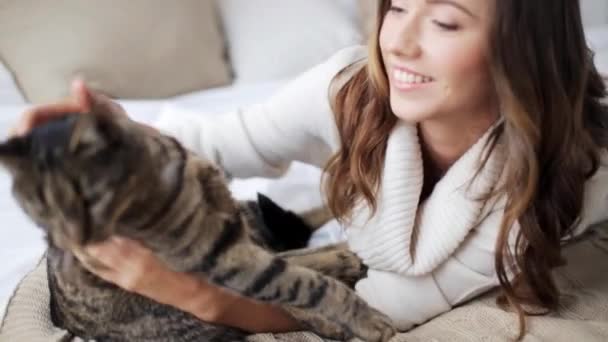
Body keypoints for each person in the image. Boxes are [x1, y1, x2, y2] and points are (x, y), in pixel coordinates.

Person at [12, 0, 608, 337]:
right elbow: (221, 142)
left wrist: (189, 293)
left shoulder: (536, 189)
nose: (399, 43)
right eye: (397, 7)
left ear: (516, 51)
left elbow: (375, 310)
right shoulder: (349, 87)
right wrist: (121, 133)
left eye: (445, 21)